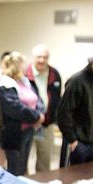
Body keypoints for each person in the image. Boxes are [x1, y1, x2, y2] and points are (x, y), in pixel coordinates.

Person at [0, 52, 44, 176]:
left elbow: (37, 99)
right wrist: (37, 116)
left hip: (29, 130)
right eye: (23, 65)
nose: (26, 68)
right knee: (15, 170)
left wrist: (39, 113)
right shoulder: (5, 84)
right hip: (15, 134)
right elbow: (14, 108)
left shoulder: (24, 81)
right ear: (16, 66)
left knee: (23, 169)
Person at [24, 44, 62, 172]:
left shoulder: (54, 74)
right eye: (39, 57)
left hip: (47, 124)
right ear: (33, 57)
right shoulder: (24, 74)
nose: (42, 60)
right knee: (23, 162)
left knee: (44, 162)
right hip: (26, 125)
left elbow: (57, 99)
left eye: (45, 57)